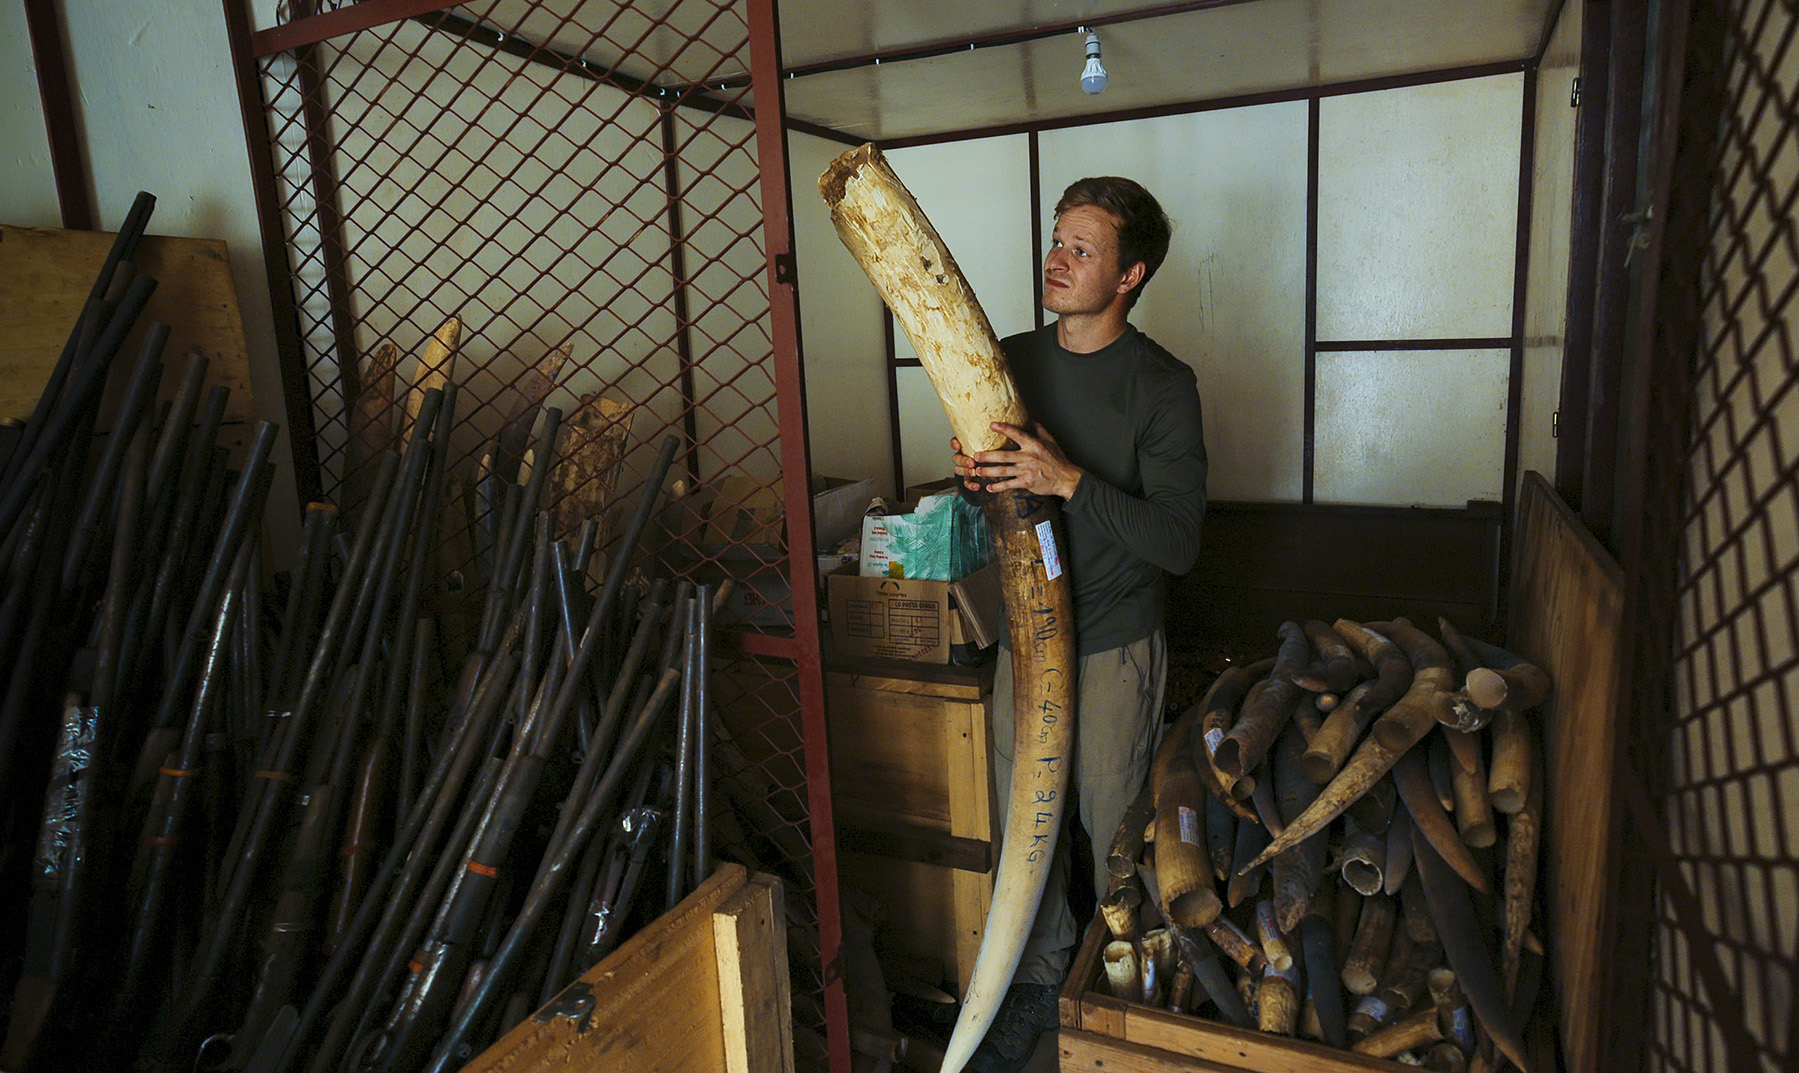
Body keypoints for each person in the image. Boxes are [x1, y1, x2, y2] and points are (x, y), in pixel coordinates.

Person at [950, 176, 1208, 1073]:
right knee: (1022, 817)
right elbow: (983, 492)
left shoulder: (1162, 384)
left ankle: (1119, 995)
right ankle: (1037, 979)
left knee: (1110, 822)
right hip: (1026, 631)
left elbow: (1176, 540)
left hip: (1112, 635)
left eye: (1081, 249)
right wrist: (977, 474)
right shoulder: (1009, 357)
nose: (1055, 261)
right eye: (1056, 241)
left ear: (1130, 275)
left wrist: (1068, 481)